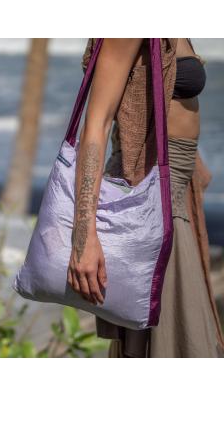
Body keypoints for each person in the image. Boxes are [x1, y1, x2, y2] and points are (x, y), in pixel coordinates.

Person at [67, 38, 224, 357]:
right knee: (176, 337)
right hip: (148, 195)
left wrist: (192, 167)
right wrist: (84, 237)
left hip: (173, 188)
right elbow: (96, 125)